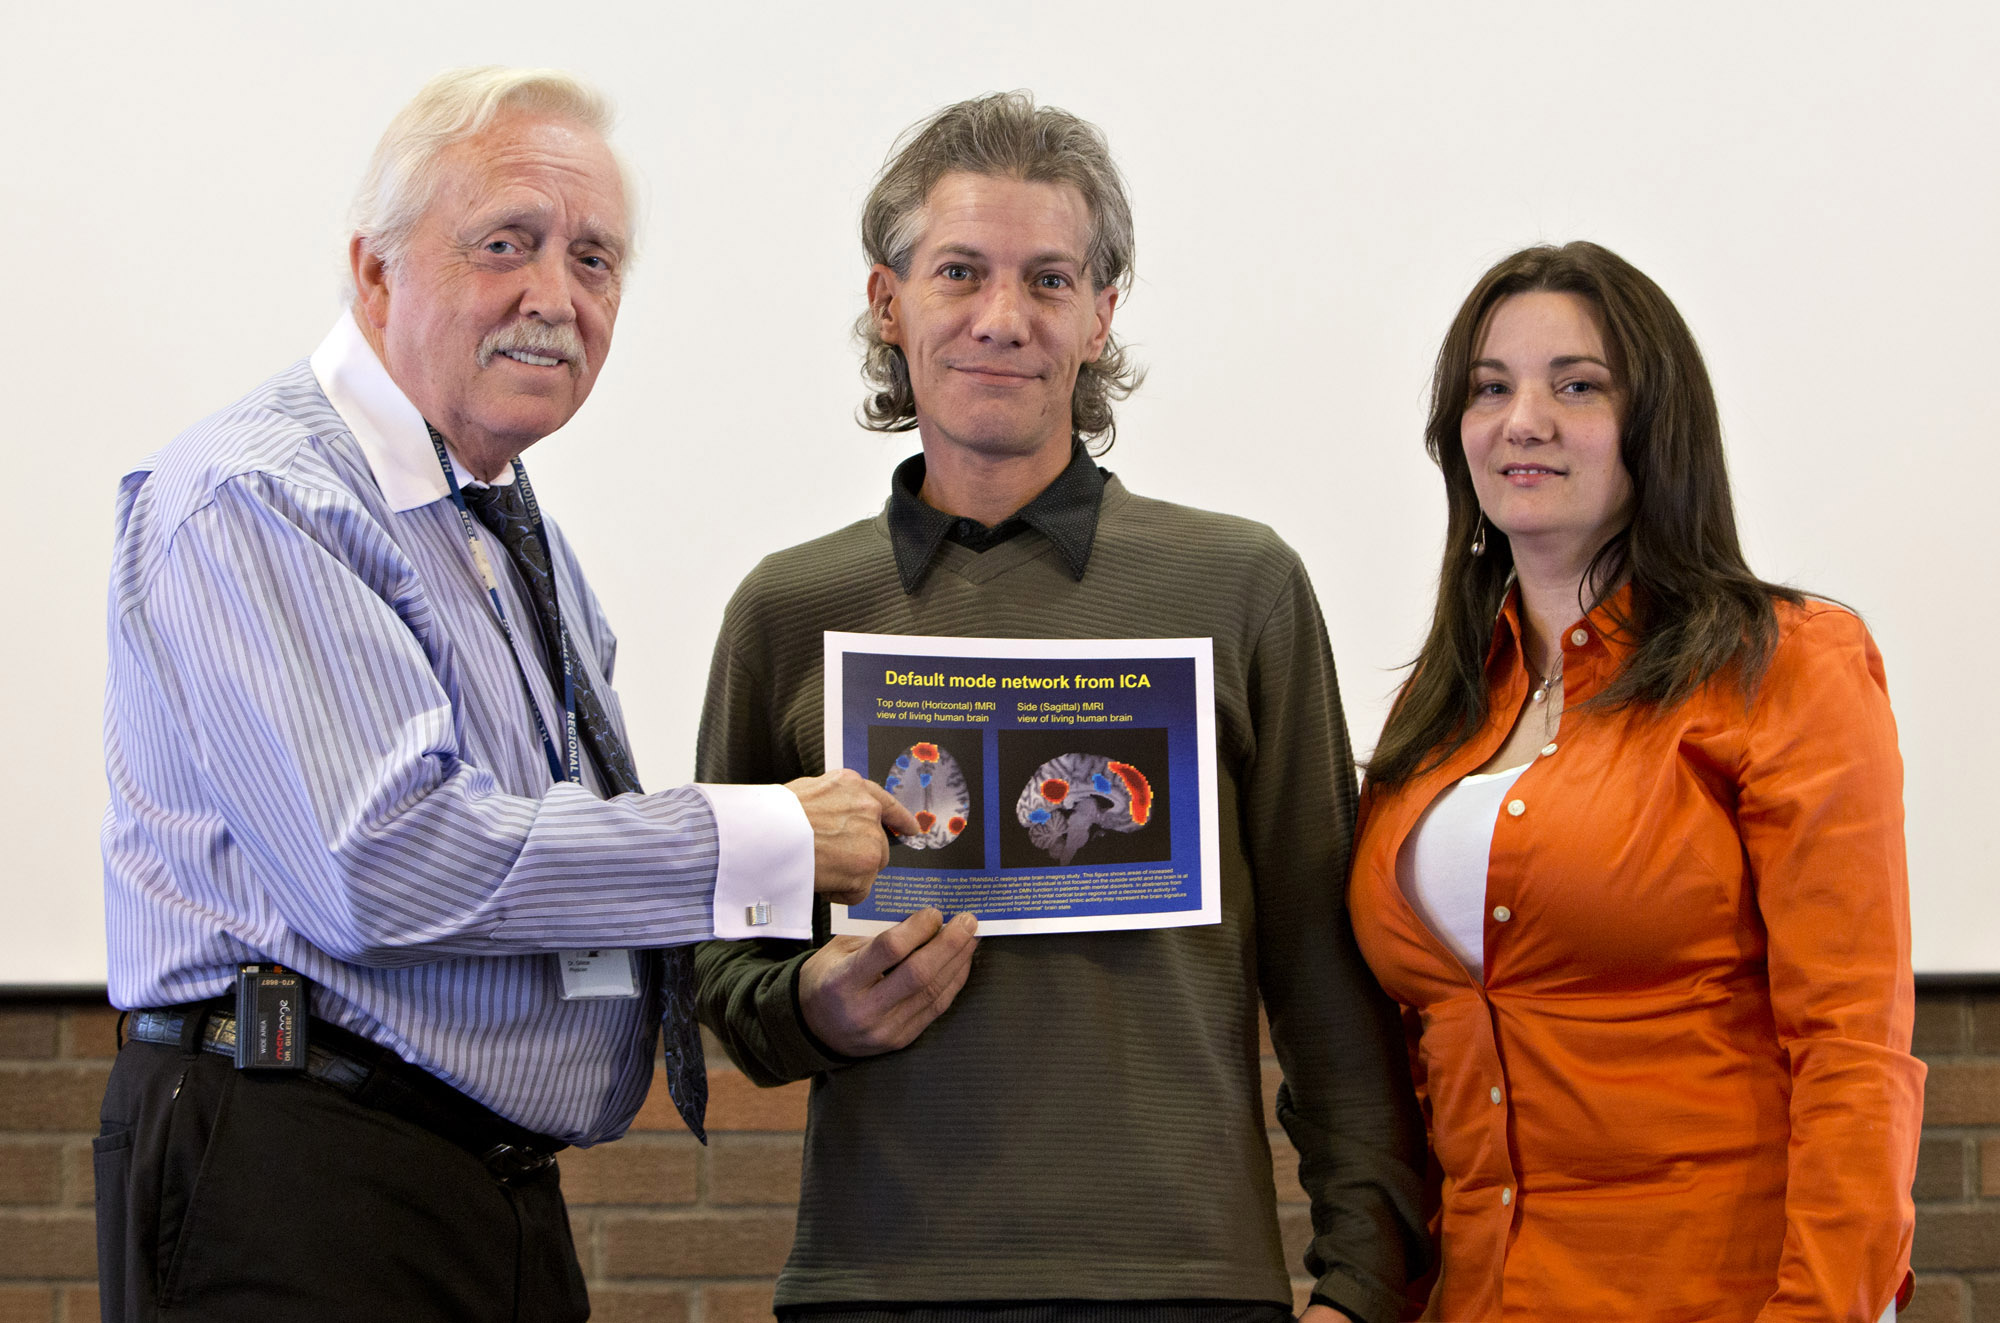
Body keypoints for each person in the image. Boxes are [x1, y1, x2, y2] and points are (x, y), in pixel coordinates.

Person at [95, 67, 913, 1323]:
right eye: (503, 246)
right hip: (300, 1171)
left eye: (593, 259)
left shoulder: (498, 526)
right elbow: (383, 858)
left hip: (474, 1188)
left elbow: (530, 856)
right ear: (374, 273)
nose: (555, 297)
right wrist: (763, 835)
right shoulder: (263, 495)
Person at [693, 92, 1428, 1323]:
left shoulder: (1237, 586)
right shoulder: (788, 609)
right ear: (889, 303)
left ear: (1100, 315)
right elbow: (719, 967)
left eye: (1048, 280)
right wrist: (808, 1007)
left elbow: (1323, 967)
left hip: (1187, 1285)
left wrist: (1360, 1284)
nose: (1001, 318)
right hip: (876, 1285)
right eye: (959, 273)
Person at [1347, 241, 1925, 1321]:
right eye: (1488, 388)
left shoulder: (1787, 663)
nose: (1522, 419)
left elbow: (1850, 1052)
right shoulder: (1443, 705)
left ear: (1654, 428)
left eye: (1577, 385)